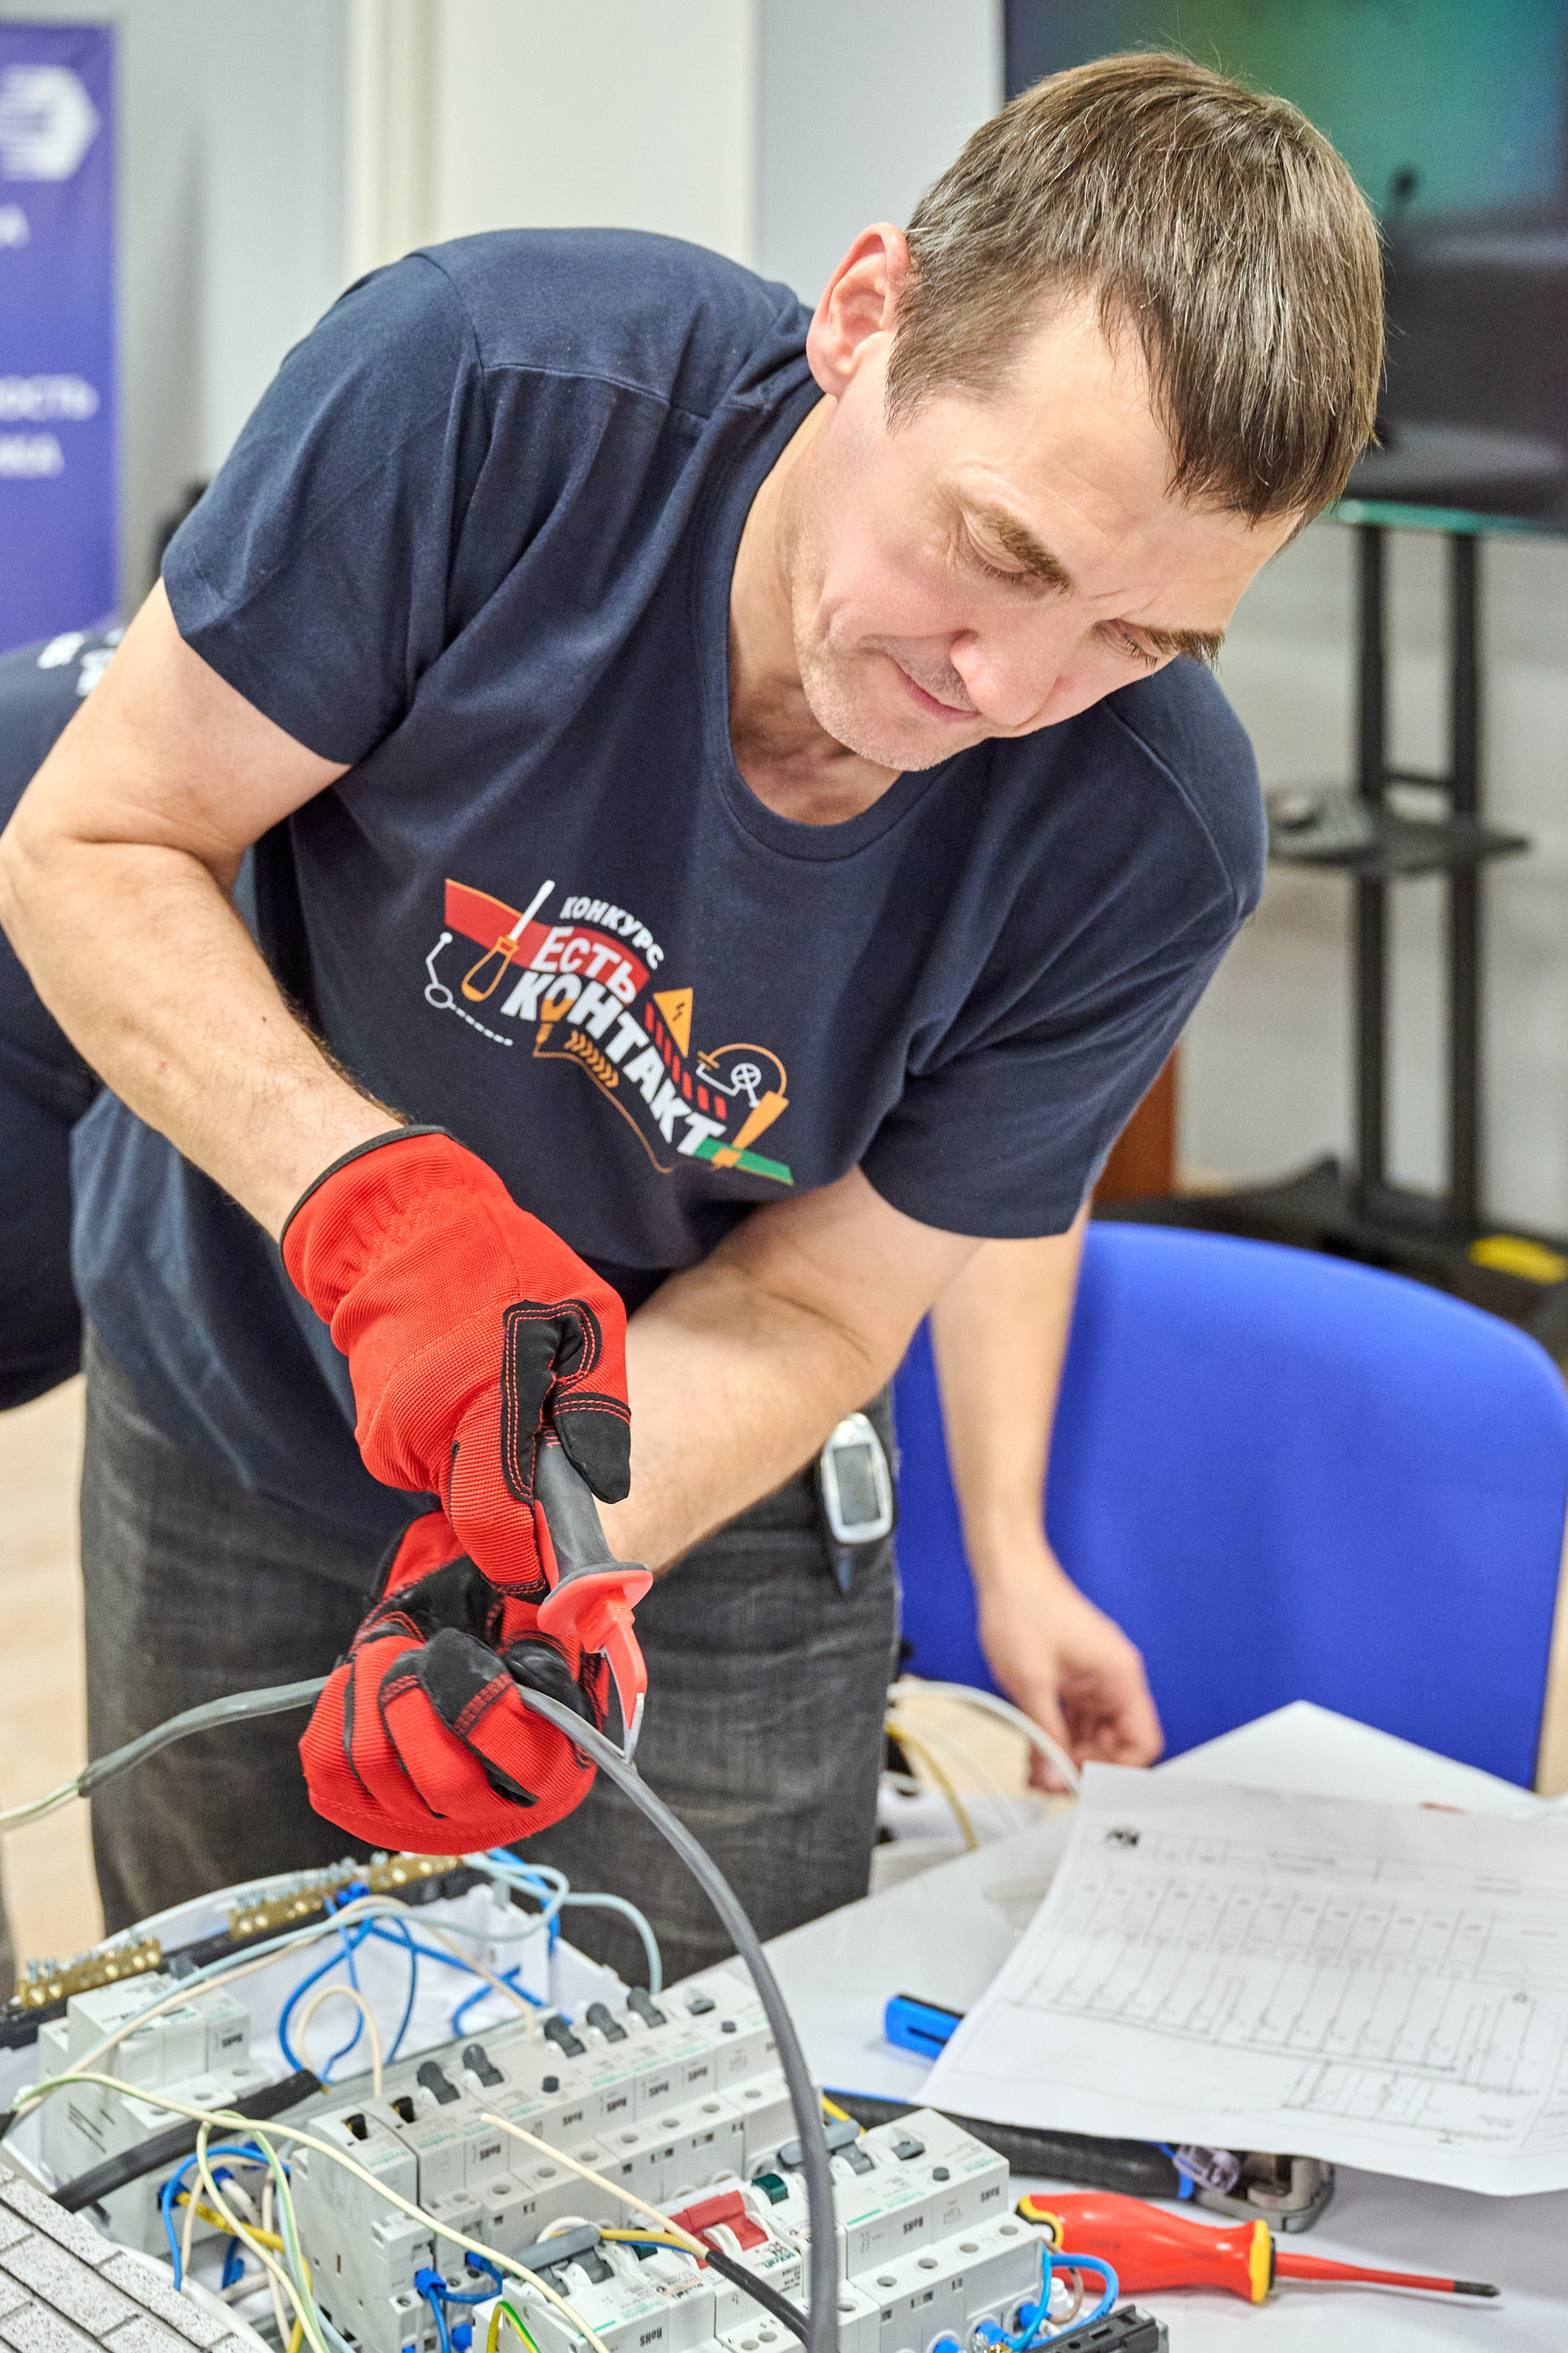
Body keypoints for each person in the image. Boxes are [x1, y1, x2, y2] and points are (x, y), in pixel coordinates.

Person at [0, 53, 1382, 1978]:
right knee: (216, 2073)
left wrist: (550, 1546)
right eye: (1003, 554)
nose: (1010, 687)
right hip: (239, 1399)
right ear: (866, 315)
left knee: (699, 2102)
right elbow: (94, 841)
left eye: (1143, 636)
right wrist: (370, 1209)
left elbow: (823, 1301)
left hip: (696, 1511)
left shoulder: (1149, 835)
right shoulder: (487, 396)